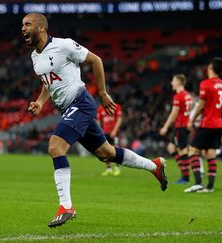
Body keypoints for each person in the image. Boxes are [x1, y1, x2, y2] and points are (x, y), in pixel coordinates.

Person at [22, 13, 167, 228]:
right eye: (22, 25)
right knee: (106, 153)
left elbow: (95, 60)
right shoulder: (35, 57)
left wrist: (103, 93)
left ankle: (66, 206)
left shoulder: (64, 45)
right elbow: (48, 83)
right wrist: (40, 102)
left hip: (81, 102)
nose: (23, 29)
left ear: (41, 28)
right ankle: (154, 165)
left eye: (28, 24)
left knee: (55, 146)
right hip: (67, 109)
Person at [184, 57, 222, 193]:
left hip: (207, 123)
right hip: (218, 123)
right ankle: (210, 187)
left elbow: (201, 105)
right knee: (211, 154)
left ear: (210, 68)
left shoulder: (206, 84)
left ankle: (198, 183)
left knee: (192, 151)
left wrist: (191, 120)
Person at [159, 74, 193, 184]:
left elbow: (174, 113)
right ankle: (184, 172)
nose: (171, 83)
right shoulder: (188, 95)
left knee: (182, 151)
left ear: (178, 82)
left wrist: (165, 126)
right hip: (183, 125)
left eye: (173, 81)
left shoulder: (179, 96)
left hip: (181, 127)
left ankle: (185, 177)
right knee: (171, 147)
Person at [97, 104, 123, 176]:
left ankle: (117, 168)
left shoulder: (116, 107)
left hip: (114, 132)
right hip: (105, 133)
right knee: (105, 151)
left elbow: (119, 119)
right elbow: (99, 121)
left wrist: (115, 130)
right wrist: (99, 131)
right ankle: (108, 169)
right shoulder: (100, 109)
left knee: (116, 150)